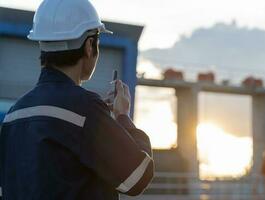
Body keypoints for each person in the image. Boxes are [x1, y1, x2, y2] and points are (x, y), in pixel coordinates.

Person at [0, 0, 154, 199]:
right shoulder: (85, 109)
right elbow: (138, 176)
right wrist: (122, 116)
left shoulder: (14, 115)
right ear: (89, 45)